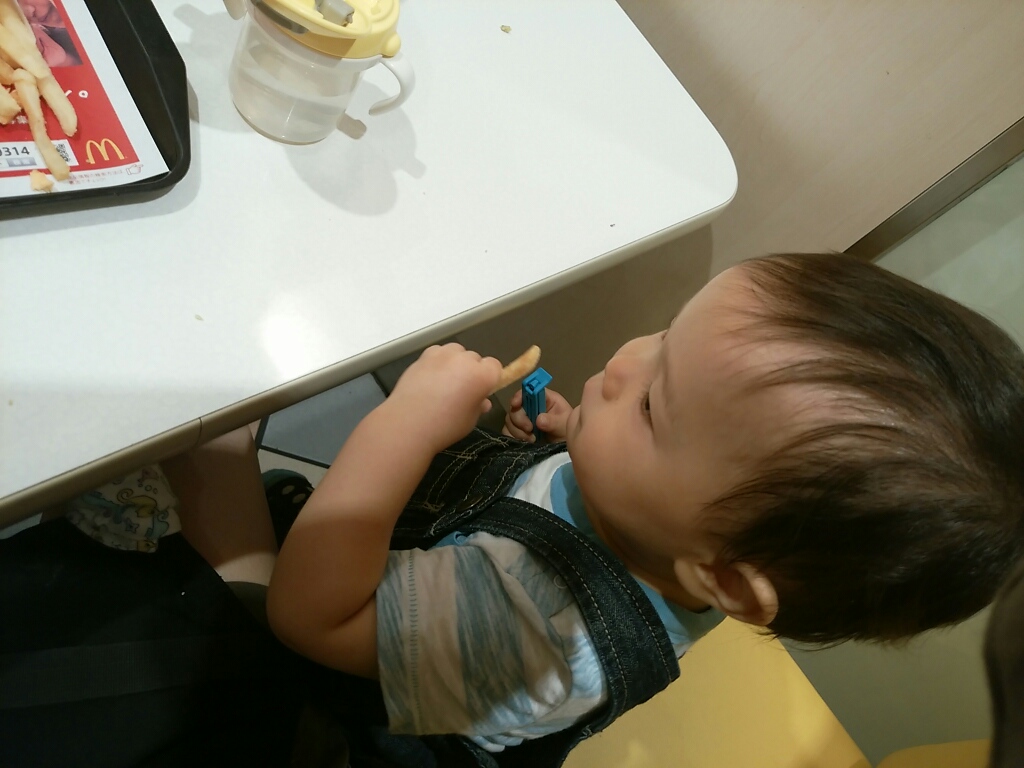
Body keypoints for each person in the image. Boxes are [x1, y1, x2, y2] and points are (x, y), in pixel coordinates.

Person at [6, 253, 1023, 768]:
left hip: (335, 705)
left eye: (654, 407)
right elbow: (597, 509)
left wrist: (405, 425)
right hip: (432, 595)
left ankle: (205, 496)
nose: (622, 363)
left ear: (721, 577)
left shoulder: (538, 629)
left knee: (221, 466)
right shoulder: (684, 536)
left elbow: (311, 618)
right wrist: (574, 441)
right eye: (664, 338)